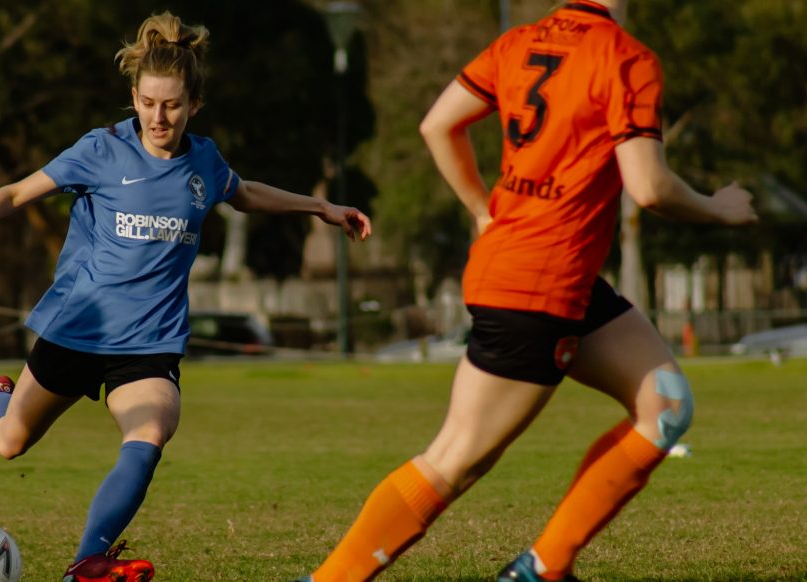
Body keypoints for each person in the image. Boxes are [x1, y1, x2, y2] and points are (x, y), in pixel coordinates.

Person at [0, 11, 372, 582]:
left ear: (194, 105)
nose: (158, 116)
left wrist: (319, 206)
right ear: (134, 96)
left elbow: (244, 193)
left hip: (149, 342)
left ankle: (89, 561)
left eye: (172, 105)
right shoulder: (100, 151)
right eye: (148, 103)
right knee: (10, 443)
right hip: (79, 327)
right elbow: (15, 193)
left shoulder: (205, 161)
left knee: (149, 432)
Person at [296, 1, 756, 581]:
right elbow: (649, 186)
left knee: (664, 406)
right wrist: (721, 208)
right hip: (536, 286)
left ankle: (543, 568)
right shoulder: (626, 57)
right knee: (454, 460)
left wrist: (480, 210)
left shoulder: (520, 42)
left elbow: (437, 123)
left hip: (558, 275)